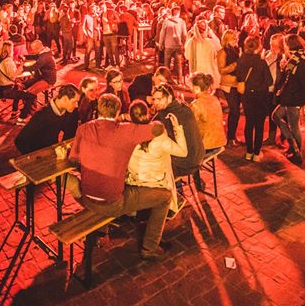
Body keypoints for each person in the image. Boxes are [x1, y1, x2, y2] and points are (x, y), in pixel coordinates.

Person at [67, 93, 170, 260]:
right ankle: (150, 248)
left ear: (98, 109)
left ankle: (102, 231)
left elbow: (73, 160)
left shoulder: (83, 128)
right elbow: (158, 128)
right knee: (165, 197)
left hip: (86, 198)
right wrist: (127, 118)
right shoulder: (125, 130)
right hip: (113, 203)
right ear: (118, 111)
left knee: (111, 181)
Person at [126, 99, 187, 209]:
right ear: (147, 113)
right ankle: (172, 202)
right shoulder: (159, 137)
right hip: (154, 183)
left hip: (133, 180)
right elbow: (183, 152)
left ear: (130, 116)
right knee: (165, 157)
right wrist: (177, 127)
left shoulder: (125, 134)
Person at [272, 35, 305, 166]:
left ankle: (297, 152)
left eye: (285, 44)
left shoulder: (299, 60)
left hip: (294, 97)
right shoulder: (297, 57)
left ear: (290, 45)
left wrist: (285, 69)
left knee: (293, 125)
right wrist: (284, 68)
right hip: (290, 95)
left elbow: (301, 81)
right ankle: (293, 145)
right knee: (276, 116)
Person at [149, 83, 204, 180]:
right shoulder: (184, 106)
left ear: (169, 98)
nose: (156, 103)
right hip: (198, 157)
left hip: (184, 164)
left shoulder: (164, 116)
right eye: (154, 99)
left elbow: (149, 133)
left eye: (159, 99)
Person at [235, 36, 272, 161]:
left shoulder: (241, 61)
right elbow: (269, 81)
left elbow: (239, 77)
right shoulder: (261, 62)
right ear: (258, 46)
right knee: (259, 125)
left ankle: (249, 151)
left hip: (247, 95)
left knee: (249, 123)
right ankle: (257, 153)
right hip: (260, 96)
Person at [14, 83, 80, 154]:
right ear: (65, 99)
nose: (76, 105)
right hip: (40, 154)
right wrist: (35, 157)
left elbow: (70, 132)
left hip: (54, 152)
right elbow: (20, 141)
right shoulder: (42, 115)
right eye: (74, 102)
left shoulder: (69, 111)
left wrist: (63, 147)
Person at [188, 72, 226, 191]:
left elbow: (190, 126)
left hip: (207, 146)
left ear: (197, 88)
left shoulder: (196, 104)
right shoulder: (215, 99)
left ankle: (196, 180)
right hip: (220, 141)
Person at [17, 39, 57, 124]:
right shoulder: (44, 52)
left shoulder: (45, 57)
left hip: (48, 79)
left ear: (38, 47)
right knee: (22, 85)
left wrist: (22, 68)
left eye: (33, 49)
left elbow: (34, 67)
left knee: (30, 93)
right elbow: (36, 57)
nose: (32, 51)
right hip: (41, 77)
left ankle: (23, 116)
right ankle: (31, 108)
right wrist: (25, 56)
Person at [217, 29, 242, 147]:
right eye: (233, 38)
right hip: (228, 84)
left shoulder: (236, 50)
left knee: (236, 112)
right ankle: (230, 137)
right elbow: (221, 70)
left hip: (237, 84)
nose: (236, 40)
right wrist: (235, 65)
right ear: (227, 40)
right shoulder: (222, 52)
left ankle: (232, 136)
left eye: (236, 38)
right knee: (235, 111)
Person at [184, 19, 221, 86]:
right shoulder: (211, 42)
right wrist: (212, 35)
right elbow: (219, 49)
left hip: (196, 72)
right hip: (209, 71)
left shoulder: (191, 42)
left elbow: (187, 56)